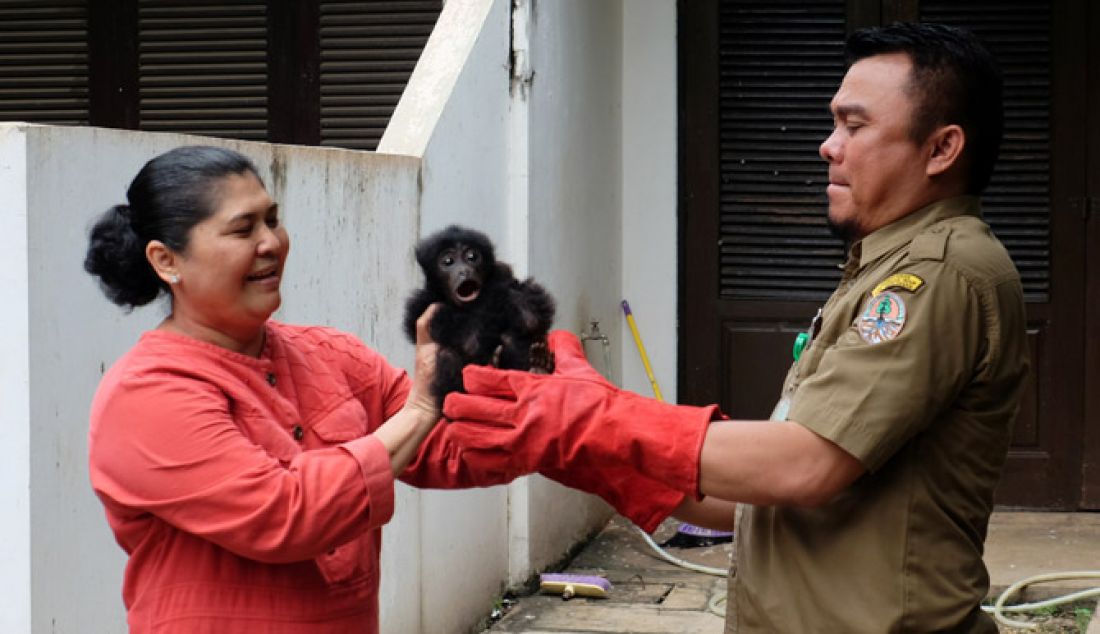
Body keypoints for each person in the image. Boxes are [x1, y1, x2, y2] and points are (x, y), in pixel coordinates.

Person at [438, 22, 1029, 633]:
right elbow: (756, 496)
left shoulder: (936, 274)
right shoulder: (883, 267)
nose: (829, 146)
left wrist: (596, 414)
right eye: (834, 124)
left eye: (855, 126)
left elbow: (805, 464)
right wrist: (582, 447)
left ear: (941, 149)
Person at [83, 145, 501, 633]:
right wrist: (425, 404)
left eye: (273, 220)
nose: (271, 243)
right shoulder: (146, 395)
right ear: (166, 259)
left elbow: (448, 448)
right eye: (243, 229)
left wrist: (515, 384)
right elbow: (287, 513)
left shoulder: (332, 355)